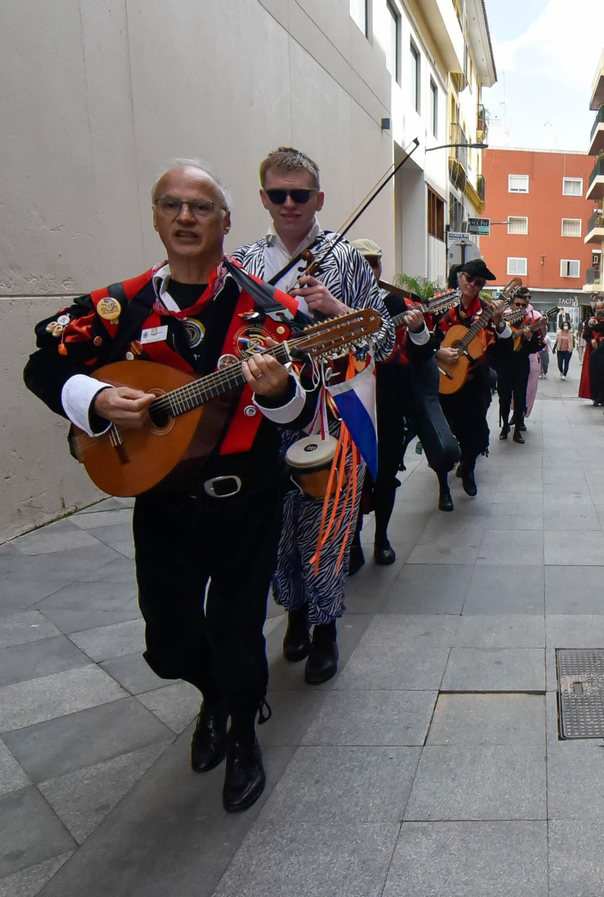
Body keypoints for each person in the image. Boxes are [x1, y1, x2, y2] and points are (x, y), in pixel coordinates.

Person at [23, 161, 318, 813]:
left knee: (237, 632)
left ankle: (242, 731)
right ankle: (214, 694)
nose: (186, 217)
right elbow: (43, 363)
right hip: (162, 500)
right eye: (171, 205)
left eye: (201, 207)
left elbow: (300, 413)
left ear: (226, 222)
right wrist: (97, 398)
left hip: (246, 497)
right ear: (156, 217)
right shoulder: (118, 306)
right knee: (169, 642)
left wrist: (278, 390)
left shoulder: (272, 311)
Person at [230, 148, 397, 688]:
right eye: (277, 194)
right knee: (279, 527)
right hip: (263, 415)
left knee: (325, 529)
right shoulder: (246, 262)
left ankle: (325, 630)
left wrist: (334, 309)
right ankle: (295, 615)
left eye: (299, 194)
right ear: (263, 199)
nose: (288, 204)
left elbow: (386, 337)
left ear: (318, 199)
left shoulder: (345, 261)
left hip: (332, 411)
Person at [348, 239, 460, 555]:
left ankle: (381, 537)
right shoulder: (334, 301)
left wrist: (418, 330)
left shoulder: (396, 304)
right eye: (363, 262)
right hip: (349, 404)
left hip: (389, 403)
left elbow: (422, 353)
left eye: (375, 262)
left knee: (385, 475)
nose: (370, 269)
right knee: (351, 479)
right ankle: (353, 542)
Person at [434, 258, 509, 497]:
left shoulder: (485, 311)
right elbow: (422, 337)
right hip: (443, 378)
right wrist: (438, 351)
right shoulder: (440, 304)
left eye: (479, 283)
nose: (474, 286)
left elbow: (503, 348)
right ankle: (443, 488)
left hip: (475, 381)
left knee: (476, 434)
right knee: (443, 438)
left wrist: (498, 322)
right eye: (470, 279)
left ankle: (468, 468)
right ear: (459, 277)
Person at [493, 286, 542, 443]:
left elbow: (536, 347)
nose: (520, 307)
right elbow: (495, 343)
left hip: (521, 365)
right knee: (504, 398)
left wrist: (528, 338)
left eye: (523, 305)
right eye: (517, 304)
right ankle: (504, 426)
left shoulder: (531, 322)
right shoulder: (503, 320)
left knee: (520, 397)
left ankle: (518, 429)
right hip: (504, 365)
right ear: (512, 305)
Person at [583, 304, 604, 412]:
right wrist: (591, 340)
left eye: (602, 308)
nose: (600, 310)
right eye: (598, 308)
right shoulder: (591, 322)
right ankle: (596, 397)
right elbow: (586, 334)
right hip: (594, 352)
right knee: (595, 375)